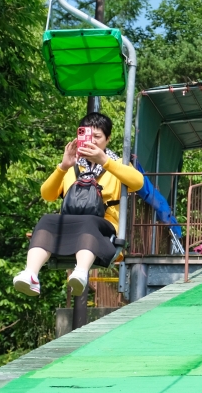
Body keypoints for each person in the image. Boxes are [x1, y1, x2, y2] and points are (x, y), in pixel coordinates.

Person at [13, 113, 144, 298]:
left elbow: (138, 182)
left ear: (108, 139)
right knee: (47, 220)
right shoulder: (74, 166)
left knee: (88, 222)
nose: (93, 142)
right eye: (88, 136)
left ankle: (81, 271)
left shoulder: (116, 165)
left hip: (103, 226)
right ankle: (31, 274)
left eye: (97, 137)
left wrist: (104, 161)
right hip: (70, 224)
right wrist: (63, 166)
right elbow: (47, 194)